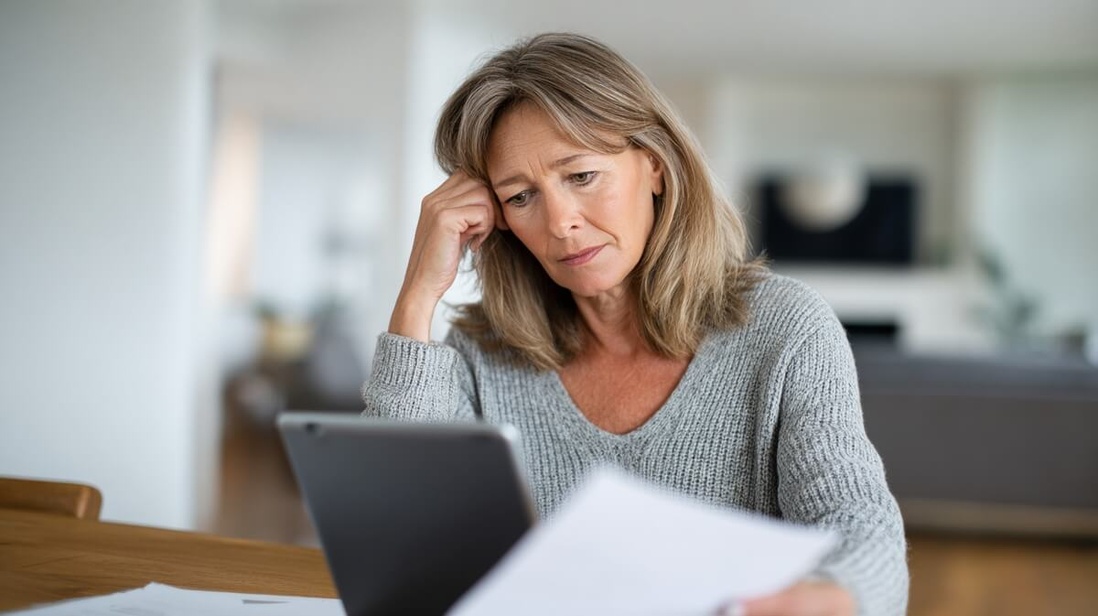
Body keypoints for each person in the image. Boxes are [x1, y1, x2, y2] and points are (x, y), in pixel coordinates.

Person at [362, 32, 908, 616]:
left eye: (580, 176)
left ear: (653, 164)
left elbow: (857, 520)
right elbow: (394, 530)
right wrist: (418, 295)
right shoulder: (483, 349)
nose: (561, 221)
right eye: (521, 196)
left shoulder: (787, 329)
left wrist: (831, 596)